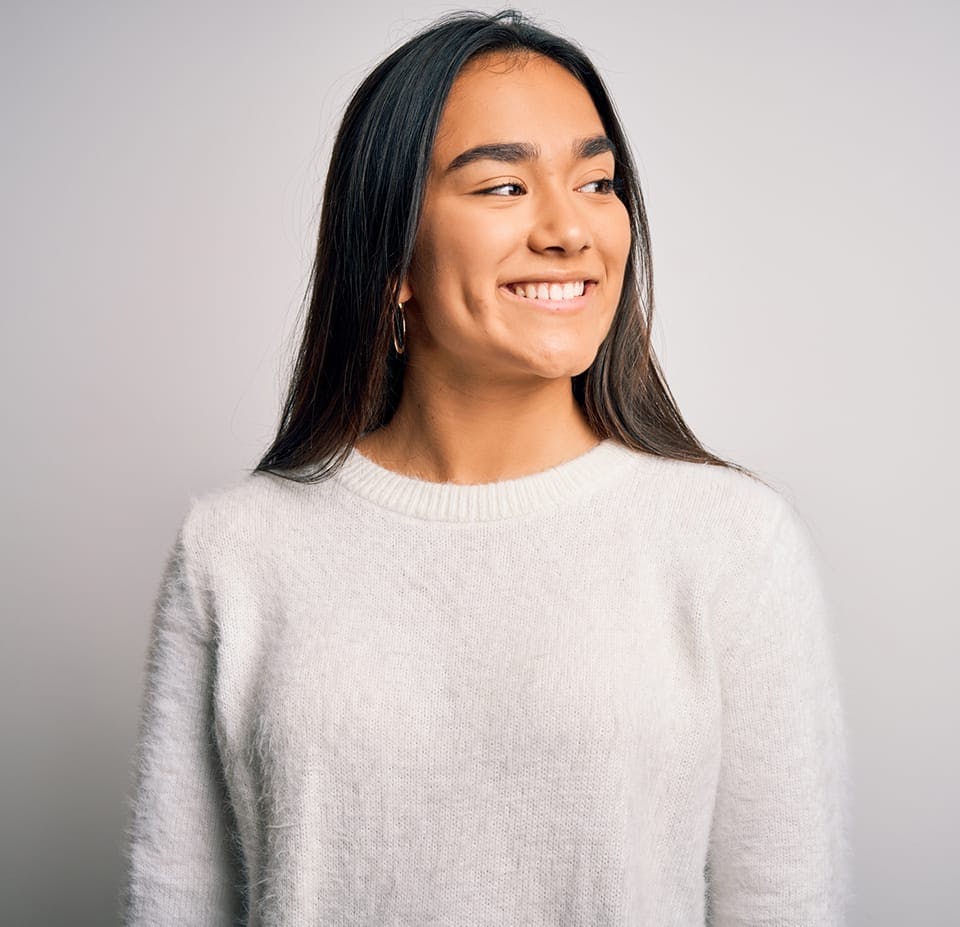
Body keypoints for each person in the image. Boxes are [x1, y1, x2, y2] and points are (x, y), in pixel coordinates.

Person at [121, 9, 850, 925]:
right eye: (504, 186)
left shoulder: (730, 540)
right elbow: (176, 903)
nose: (570, 229)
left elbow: (783, 900)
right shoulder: (236, 548)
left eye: (597, 181)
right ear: (390, 255)